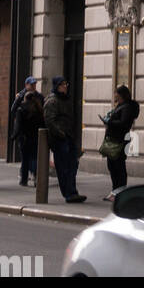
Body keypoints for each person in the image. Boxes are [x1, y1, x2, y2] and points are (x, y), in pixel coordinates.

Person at [43, 76, 86, 204]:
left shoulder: (66, 100)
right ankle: (68, 194)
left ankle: (73, 192)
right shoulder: (52, 101)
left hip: (69, 137)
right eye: (62, 84)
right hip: (59, 139)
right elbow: (50, 121)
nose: (65, 86)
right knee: (63, 168)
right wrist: (61, 134)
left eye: (66, 84)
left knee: (73, 166)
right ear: (57, 86)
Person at [99, 85, 140, 200]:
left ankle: (120, 191)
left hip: (119, 140)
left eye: (116, 93)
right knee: (112, 165)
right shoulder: (121, 106)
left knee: (118, 166)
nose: (114, 95)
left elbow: (124, 123)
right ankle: (115, 190)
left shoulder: (127, 107)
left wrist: (110, 122)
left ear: (121, 94)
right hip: (114, 139)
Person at [10, 77, 43, 188]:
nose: (34, 86)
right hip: (30, 134)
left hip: (26, 135)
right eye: (32, 84)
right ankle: (31, 176)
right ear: (26, 85)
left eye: (35, 84)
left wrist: (14, 136)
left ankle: (26, 178)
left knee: (27, 157)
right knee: (32, 157)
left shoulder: (38, 97)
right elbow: (13, 110)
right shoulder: (21, 96)